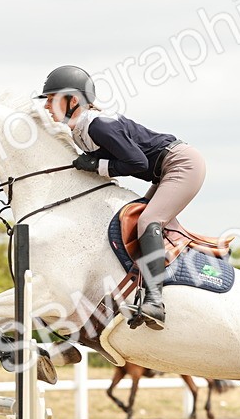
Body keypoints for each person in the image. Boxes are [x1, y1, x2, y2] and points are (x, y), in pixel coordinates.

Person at [35, 65, 205, 329]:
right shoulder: (80, 128)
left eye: (51, 98)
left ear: (72, 100)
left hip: (181, 164)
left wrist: (96, 166)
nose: (46, 106)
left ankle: (155, 301)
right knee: (135, 219)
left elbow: (136, 162)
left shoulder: (98, 126)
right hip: (165, 169)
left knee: (149, 221)